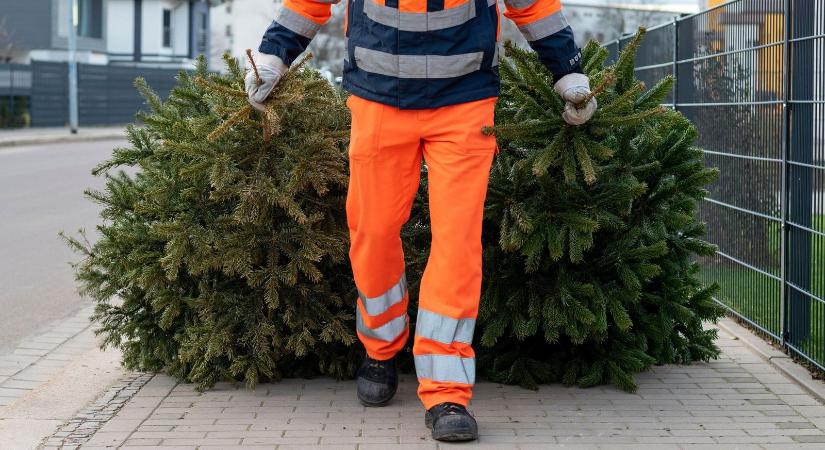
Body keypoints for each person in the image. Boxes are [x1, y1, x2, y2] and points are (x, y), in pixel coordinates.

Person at [246, 0, 596, 441]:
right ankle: (380, 348)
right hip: (377, 100)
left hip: (465, 104)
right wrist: (273, 56)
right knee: (371, 231)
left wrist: (568, 71)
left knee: (456, 243)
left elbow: (534, 6)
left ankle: (447, 391)